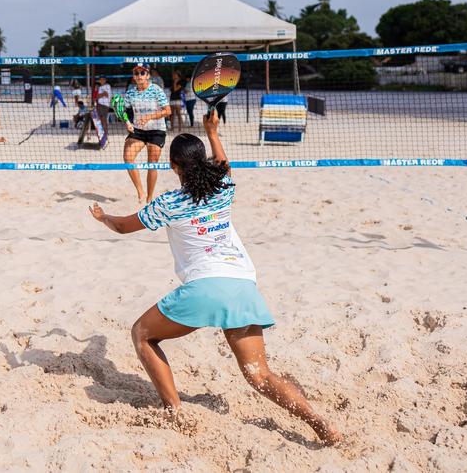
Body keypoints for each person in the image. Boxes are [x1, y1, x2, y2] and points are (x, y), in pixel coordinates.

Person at [88, 110, 342, 446]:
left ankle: (175, 410)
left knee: (142, 335)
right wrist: (212, 132)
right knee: (259, 374)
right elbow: (223, 164)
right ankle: (320, 423)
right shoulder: (223, 187)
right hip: (242, 286)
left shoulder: (169, 202)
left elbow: (122, 227)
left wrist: (104, 216)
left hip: (204, 288)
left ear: (174, 167)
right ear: (202, 161)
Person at [121, 62, 171, 203]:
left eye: (142, 73)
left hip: (156, 130)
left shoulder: (156, 90)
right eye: (136, 73)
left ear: (148, 75)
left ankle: (150, 197)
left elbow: (168, 111)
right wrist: (127, 123)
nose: (139, 75)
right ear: (133, 76)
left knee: (152, 164)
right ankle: (140, 192)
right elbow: (123, 111)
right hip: (138, 130)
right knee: (128, 158)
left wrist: (149, 116)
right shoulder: (130, 92)